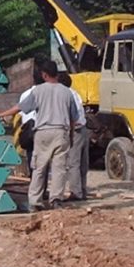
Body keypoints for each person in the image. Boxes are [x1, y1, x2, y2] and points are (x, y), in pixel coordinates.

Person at [0, 60, 79, 212]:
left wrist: (1, 114)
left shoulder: (38, 91)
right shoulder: (67, 92)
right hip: (61, 131)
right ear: (57, 74)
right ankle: (56, 200)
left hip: (43, 132)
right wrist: (70, 136)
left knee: (39, 167)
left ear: (44, 75)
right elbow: (73, 119)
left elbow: (20, 108)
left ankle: (35, 201)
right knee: (59, 168)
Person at [58, 72, 89, 200]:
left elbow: (70, 116)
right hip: (83, 129)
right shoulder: (75, 94)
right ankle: (82, 190)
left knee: (73, 163)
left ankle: (76, 192)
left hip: (75, 130)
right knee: (83, 163)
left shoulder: (66, 95)